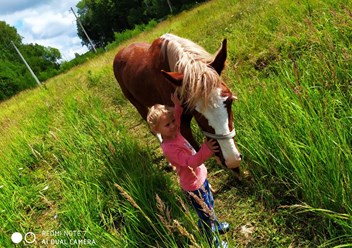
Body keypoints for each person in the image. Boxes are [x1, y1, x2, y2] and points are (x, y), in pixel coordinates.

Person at [147, 91, 229, 248]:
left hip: (200, 179)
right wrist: (206, 149)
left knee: (210, 204)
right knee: (204, 214)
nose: (173, 125)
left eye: (172, 121)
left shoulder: (174, 132)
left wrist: (177, 106)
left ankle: (216, 225)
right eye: (168, 124)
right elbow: (191, 162)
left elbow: (177, 118)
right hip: (193, 187)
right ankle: (212, 242)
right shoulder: (169, 148)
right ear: (157, 130)